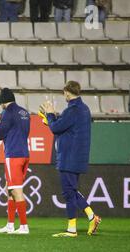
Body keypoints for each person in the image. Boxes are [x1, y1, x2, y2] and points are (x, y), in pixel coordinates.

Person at [39, 81, 101, 238]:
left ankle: (72, 229)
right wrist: (50, 120)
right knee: (71, 190)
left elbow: (55, 128)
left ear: (67, 92)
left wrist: (50, 114)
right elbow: (65, 129)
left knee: (68, 192)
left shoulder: (72, 110)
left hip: (69, 157)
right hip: (78, 157)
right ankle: (92, 217)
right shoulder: (84, 109)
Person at [0, 88, 30, 235]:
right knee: (9, 189)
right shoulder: (24, 112)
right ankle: (10, 224)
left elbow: (0, 134)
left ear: (3, 102)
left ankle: (24, 226)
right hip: (24, 153)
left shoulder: (7, 112)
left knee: (17, 190)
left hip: (13, 154)